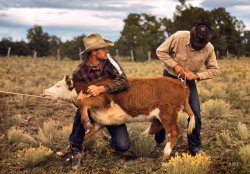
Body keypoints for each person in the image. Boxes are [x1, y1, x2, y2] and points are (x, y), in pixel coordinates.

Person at [57, 33, 130, 170]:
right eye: (103, 48)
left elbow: (124, 82)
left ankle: (110, 140)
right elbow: (77, 97)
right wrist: (78, 101)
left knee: (123, 146)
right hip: (92, 109)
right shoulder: (79, 71)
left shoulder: (110, 62)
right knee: (81, 110)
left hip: (112, 109)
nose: (107, 51)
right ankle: (75, 147)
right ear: (94, 52)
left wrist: (102, 88)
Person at [156, 22, 220, 155]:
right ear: (192, 36)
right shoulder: (178, 36)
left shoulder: (209, 48)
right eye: (196, 43)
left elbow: (215, 70)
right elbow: (160, 51)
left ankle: (195, 146)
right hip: (169, 77)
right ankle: (159, 136)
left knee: (195, 112)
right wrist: (174, 65)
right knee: (165, 110)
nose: (198, 46)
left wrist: (197, 75)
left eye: (200, 45)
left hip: (188, 82)